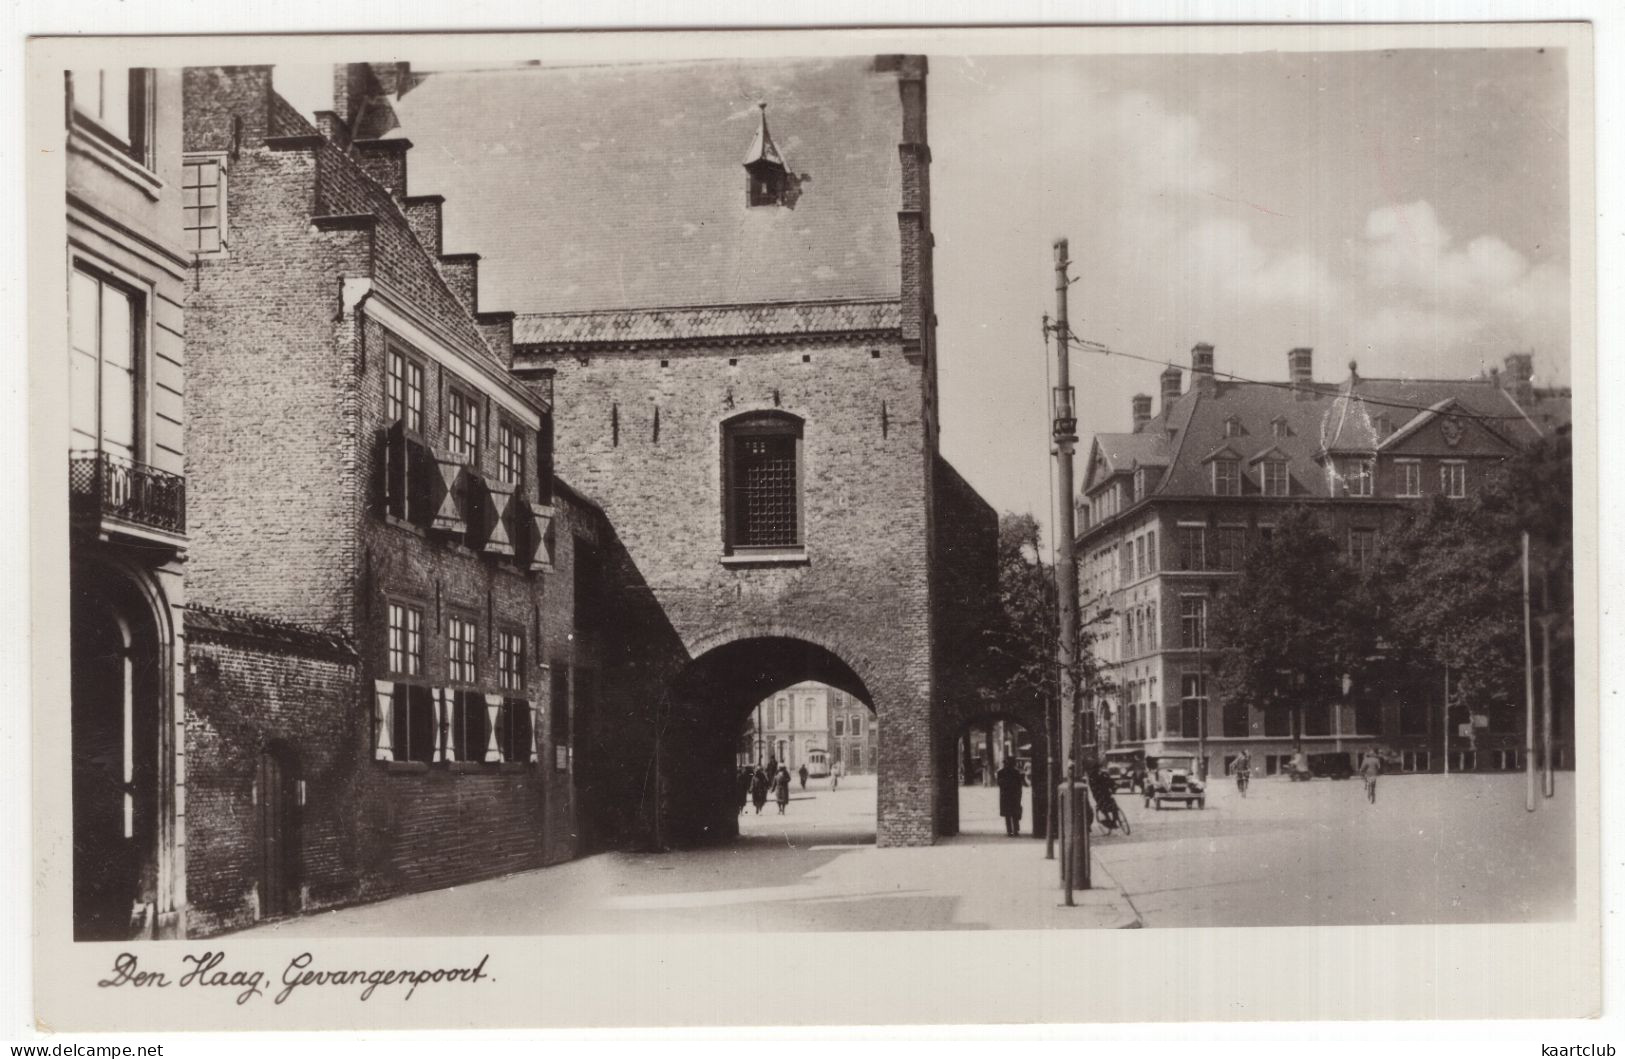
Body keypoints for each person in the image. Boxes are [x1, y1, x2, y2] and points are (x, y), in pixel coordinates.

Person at [996, 756, 1027, 836]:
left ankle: (1010, 831)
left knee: (1008, 814)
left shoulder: (1001, 772)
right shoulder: (1016, 772)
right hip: (1013, 795)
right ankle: (1015, 830)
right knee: (1014, 814)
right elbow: (1020, 785)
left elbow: (999, 783)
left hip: (1006, 795)